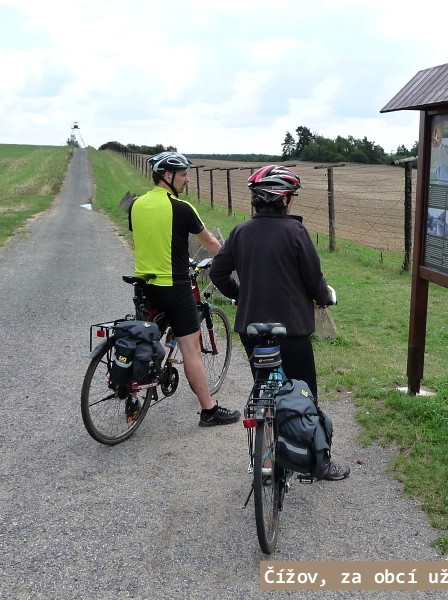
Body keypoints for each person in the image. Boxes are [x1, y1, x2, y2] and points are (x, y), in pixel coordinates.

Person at [209, 165, 350, 480]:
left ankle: (267, 453)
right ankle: (320, 463)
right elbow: (314, 280)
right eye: (293, 196)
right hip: (292, 331)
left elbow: (218, 273)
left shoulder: (241, 232)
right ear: (284, 199)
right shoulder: (296, 232)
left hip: (251, 328)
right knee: (304, 393)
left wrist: (240, 296)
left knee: (264, 386)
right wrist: (324, 297)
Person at [128, 151, 240, 427]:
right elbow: (211, 242)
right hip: (175, 286)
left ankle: (130, 393)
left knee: (143, 337)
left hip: (144, 284)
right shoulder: (182, 208)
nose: (187, 179)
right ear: (167, 176)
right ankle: (209, 410)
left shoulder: (136, 205)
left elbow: (152, 238)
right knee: (191, 348)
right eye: (183, 174)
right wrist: (232, 263)